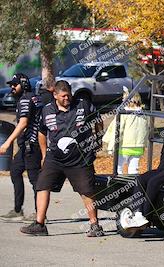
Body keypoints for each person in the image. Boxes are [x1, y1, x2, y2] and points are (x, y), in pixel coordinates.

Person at [20, 80, 104, 237]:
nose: (67, 98)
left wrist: (98, 141)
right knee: (42, 186)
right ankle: (39, 225)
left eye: (69, 95)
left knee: (87, 190)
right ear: (55, 95)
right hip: (55, 158)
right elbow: (42, 132)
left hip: (80, 158)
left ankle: (95, 225)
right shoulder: (46, 110)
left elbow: (98, 121)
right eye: (64, 96)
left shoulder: (83, 105)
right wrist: (45, 154)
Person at [120, 119, 164, 228]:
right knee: (140, 179)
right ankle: (138, 213)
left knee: (154, 182)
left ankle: (145, 215)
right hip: (163, 169)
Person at [0, 73, 42, 222]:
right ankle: (18, 210)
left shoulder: (25, 99)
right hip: (25, 146)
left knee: (35, 180)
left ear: (23, 85)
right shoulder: (32, 98)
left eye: (14, 84)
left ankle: (40, 214)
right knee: (15, 171)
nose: (12, 87)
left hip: (32, 145)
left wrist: (7, 142)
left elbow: (23, 123)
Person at [102, 88, 149, 174]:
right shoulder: (144, 114)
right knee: (134, 169)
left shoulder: (124, 113)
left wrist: (111, 146)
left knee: (118, 168)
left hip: (124, 146)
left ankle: (118, 185)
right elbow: (146, 131)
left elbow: (117, 130)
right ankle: (133, 186)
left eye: (124, 98)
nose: (122, 100)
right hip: (138, 147)